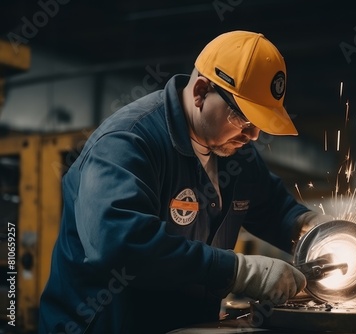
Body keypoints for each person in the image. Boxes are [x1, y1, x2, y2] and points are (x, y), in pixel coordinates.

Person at [39, 30, 329, 334]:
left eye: (259, 124)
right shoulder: (128, 141)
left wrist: (312, 229)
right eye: (243, 118)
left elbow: (273, 208)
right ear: (201, 92)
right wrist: (236, 271)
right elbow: (120, 244)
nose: (253, 135)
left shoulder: (235, 152)